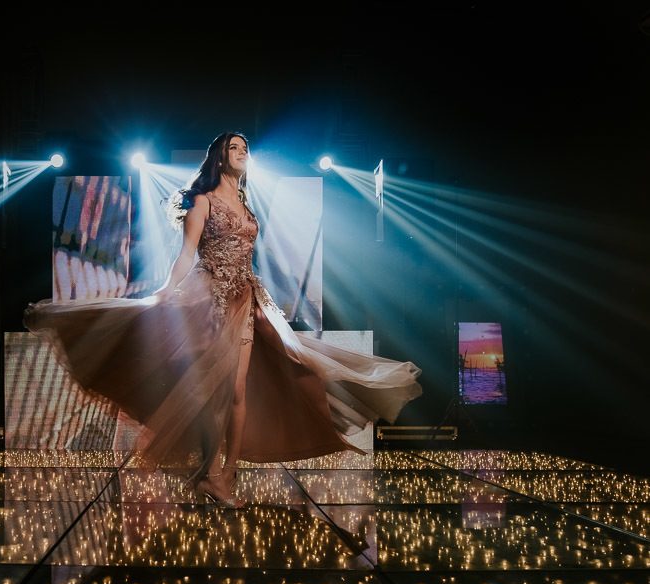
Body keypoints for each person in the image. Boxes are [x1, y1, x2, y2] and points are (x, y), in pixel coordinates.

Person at [24, 132, 422, 508]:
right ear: (220, 156)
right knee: (215, 389)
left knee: (239, 392)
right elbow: (187, 254)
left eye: (245, 147)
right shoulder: (203, 201)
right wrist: (163, 292)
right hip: (211, 300)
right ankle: (212, 473)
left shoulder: (246, 204)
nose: (243, 152)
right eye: (235, 147)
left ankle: (226, 474)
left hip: (248, 300)